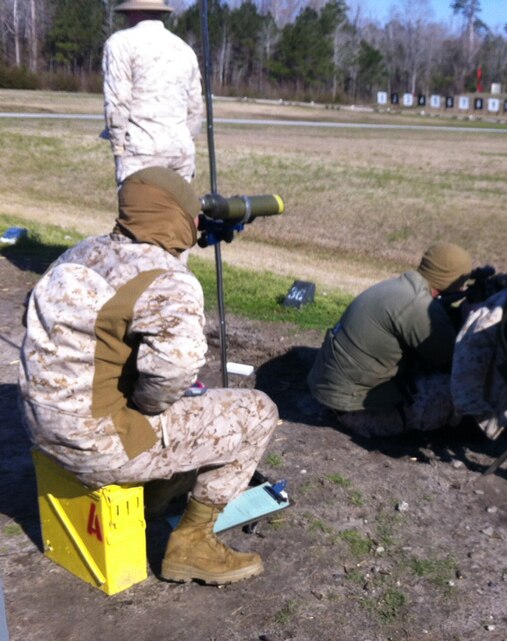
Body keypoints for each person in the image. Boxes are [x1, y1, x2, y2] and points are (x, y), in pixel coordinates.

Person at [18, 167, 279, 586]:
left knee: (175, 402)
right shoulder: (168, 280)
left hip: (41, 429)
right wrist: (145, 408)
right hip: (97, 448)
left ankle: (155, 489)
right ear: (175, 216)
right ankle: (192, 545)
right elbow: (172, 373)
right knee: (258, 411)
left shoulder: (79, 254)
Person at [307, 243, 473, 438]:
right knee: (460, 389)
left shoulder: (399, 287)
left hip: (326, 389)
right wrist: (469, 313)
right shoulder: (418, 306)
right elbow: (451, 361)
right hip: (355, 410)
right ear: (450, 278)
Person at [103, 0, 203, 185]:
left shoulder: (120, 43)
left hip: (141, 151)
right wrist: (183, 140)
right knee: (177, 213)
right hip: (181, 151)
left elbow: (118, 100)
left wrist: (118, 146)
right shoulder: (184, 49)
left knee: (139, 212)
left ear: (131, 12)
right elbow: (195, 108)